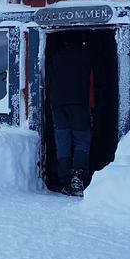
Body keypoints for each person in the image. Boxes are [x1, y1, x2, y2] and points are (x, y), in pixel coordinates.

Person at [47, 38, 94, 195]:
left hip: (58, 106)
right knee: (82, 141)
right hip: (80, 104)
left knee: (63, 141)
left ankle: (64, 179)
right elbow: (92, 82)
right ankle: (78, 176)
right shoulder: (86, 57)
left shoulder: (56, 57)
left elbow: (50, 80)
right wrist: (91, 106)